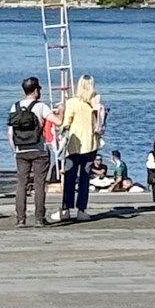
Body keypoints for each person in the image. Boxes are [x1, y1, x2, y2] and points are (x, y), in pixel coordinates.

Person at [5, 77, 53, 229]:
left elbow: (10, 133)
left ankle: (21, 219)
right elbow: (58, 122)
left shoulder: (15, 107)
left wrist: (14, 150)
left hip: (21, 150)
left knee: (21, 184)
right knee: (39, 184)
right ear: (36, 90)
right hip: (39, 149)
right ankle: (39, 218)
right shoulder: (41, 106)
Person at [57, 74, 101, 223]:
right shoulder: (95, 103)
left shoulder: (72, 102)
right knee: (84, 178)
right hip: (91, 145)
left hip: (74, 146)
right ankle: (81, 209)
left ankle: (66, 209)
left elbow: (66, 123)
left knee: (70, 176)